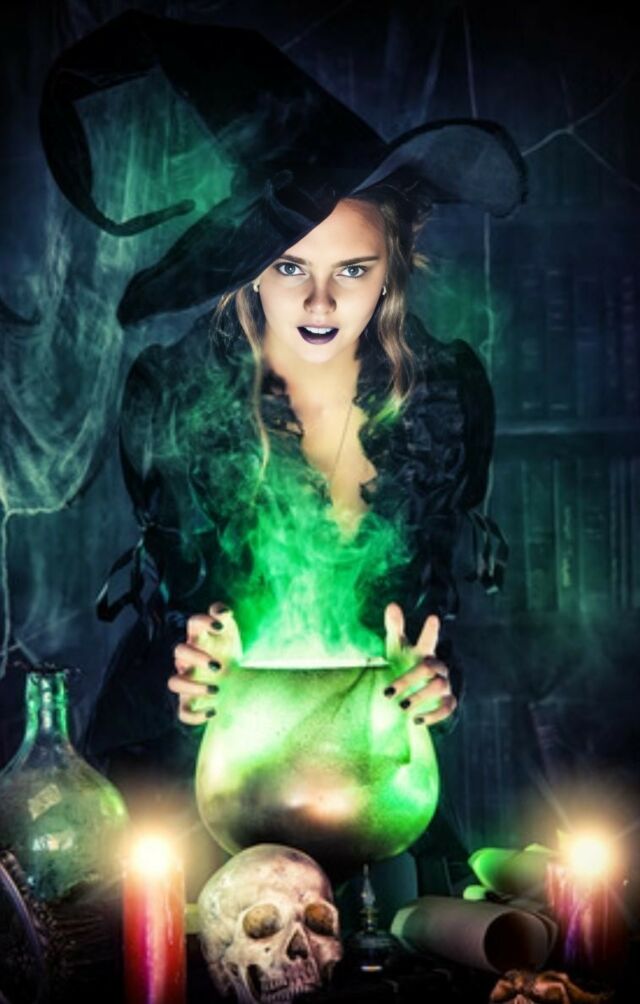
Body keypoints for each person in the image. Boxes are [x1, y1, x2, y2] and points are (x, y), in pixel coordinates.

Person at [39, 12, 524, 914]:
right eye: (292, 267)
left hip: (368, 783)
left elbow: (430, 610)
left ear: (395, 267)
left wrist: (431, 680)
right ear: (251, 267)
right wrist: (194, 658)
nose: (319, 301)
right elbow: (170, 602)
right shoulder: (174, 395)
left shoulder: (448, 398)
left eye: (353, 270)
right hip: (194, 784)